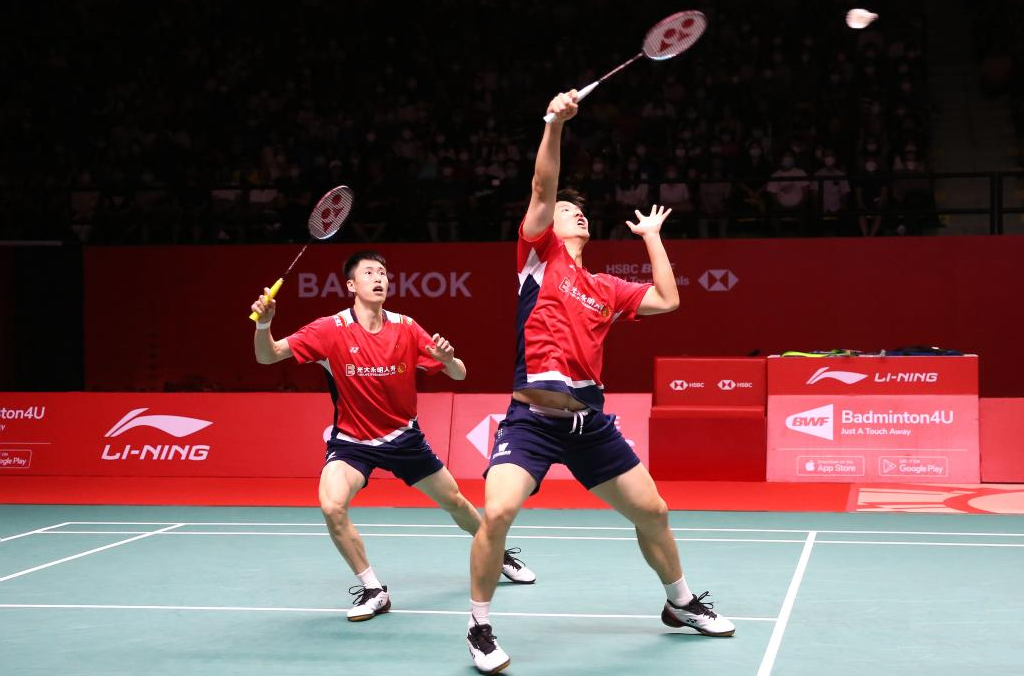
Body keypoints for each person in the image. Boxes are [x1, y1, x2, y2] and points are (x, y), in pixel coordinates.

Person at [465, 91, 734, 675]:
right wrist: (554, 124)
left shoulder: (605, 286)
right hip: (532, 420)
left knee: (654, 511)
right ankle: (480, 626)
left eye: (578, 211)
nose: (574, 213)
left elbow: (667, 299)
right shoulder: (538, 259)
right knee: (497, 514)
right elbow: (542, 187)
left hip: (589, 426)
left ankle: (680, 602)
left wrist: (653, 240)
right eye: (567, 210)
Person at [250, 250, 536, 623]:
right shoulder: (328, 330)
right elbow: (268, 357)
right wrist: (263, 325)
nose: (379, 278)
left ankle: (497, 556)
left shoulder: (405, 327)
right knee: (331, 505)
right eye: (369, 272)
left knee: (456, 503)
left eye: (383, 272)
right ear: (352, 285)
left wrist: (449, 360)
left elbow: (460, 374)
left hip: (404, 439)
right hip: (352, 442)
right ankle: (373, 589)